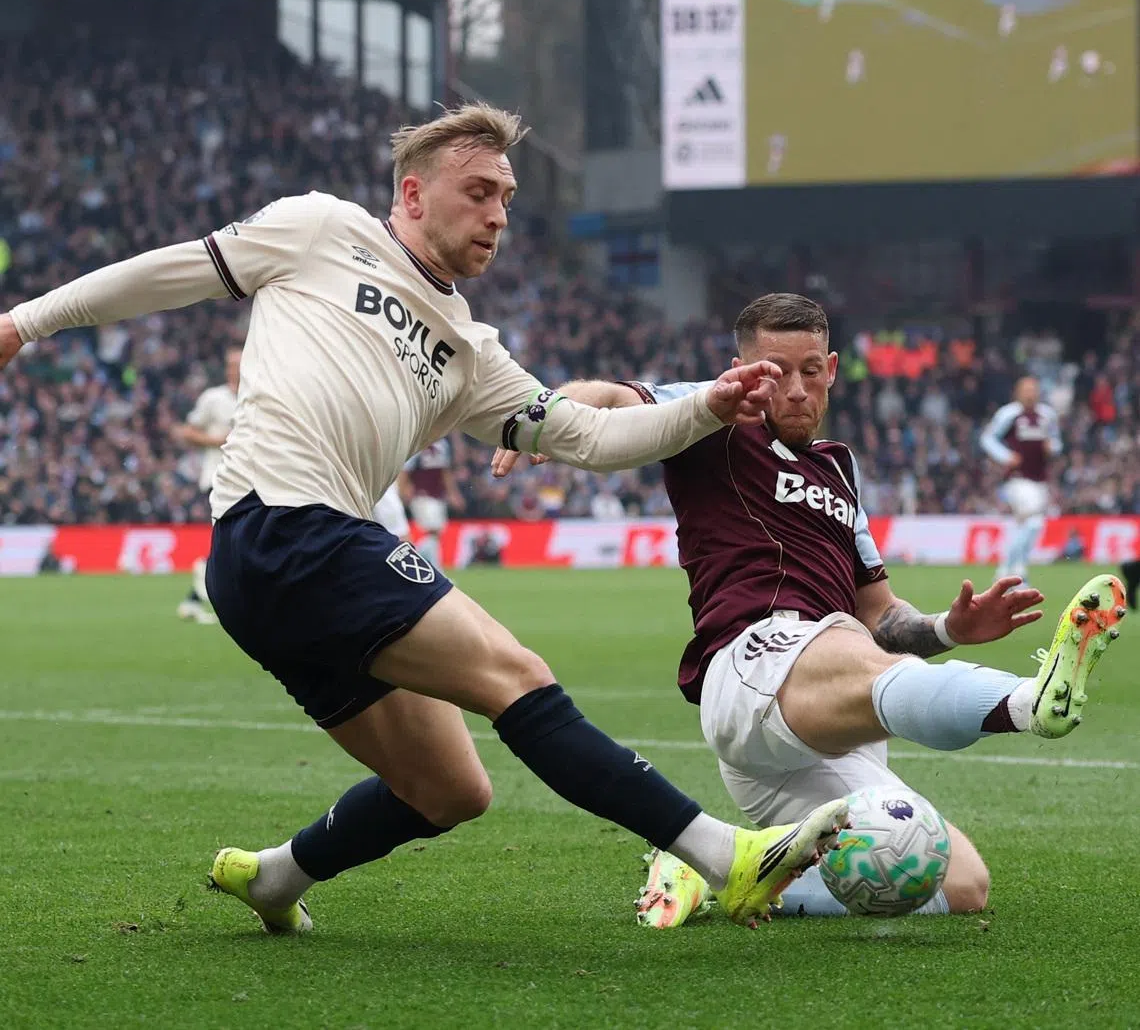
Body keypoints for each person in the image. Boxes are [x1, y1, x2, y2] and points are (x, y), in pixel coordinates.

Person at [0, 106, 851, 936]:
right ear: (412, 195)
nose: (497, 215)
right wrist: (25, 322)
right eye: (478, 192)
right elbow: (172, 269)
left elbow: (590, 435)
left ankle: (275, 876)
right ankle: (724, 855)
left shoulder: (471, 350)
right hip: (285, 526)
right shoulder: (320, 229)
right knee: (513, 672)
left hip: (290, 570)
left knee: (449, 790)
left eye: (508, 199)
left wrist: (707, 405)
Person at [492, 293, 1126, 926]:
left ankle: (713, 872)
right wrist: (540, 418)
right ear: (742, 370)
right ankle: (1026, 703)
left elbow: (881, 617)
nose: (793, 390)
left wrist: (948, 628)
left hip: (826, 722)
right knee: (855, 653)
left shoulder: (840, 470)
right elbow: (607, 398)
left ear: (831, 369)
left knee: (957, 885)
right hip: (752, 666)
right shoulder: (713, 416)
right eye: (774, 372)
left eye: (810, 371)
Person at [173, 344, 242, 623]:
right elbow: (187, 431)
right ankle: (201, 583)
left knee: (233, 543)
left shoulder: (259, 394)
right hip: (219, 477)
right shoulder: (214, 398)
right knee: (232, 540)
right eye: (234, 363)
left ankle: (195, 597)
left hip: (251, 479)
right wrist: (216, 441)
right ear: (228, 368)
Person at [979, 375, 1063, 586]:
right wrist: (1005, 456)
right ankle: (1014, 570)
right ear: (1017, 392)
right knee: (1033, 521)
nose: (1030, 393)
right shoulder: (1008, 414)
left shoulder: (1047, 415)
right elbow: (987, 438)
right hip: (1017, 480)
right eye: (1026, 389)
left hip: (1040, 480)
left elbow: (1057, 442)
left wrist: (1052, 447)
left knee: (1028, 525)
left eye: (1033, 389)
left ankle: (1010, 573)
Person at [400, 438, 462, 567]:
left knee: (436, 533)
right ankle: (433, 567)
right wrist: (404, 489)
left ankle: (418, 558)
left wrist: (452, 493)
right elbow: (405, 470)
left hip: (438, 496)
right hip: (421, 495)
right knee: (432, 531)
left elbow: (445, 472)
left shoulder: (442, 444)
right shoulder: (417, 443)